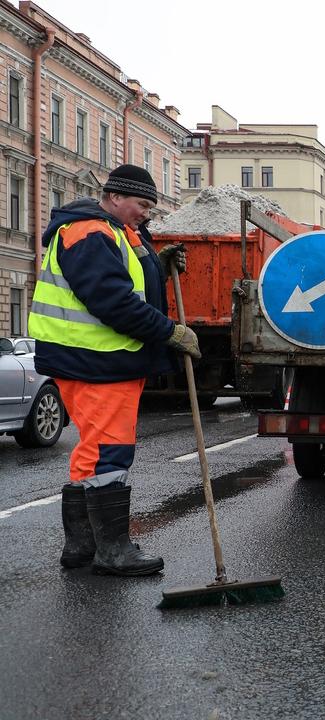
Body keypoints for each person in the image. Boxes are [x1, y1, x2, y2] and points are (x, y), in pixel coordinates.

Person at [28, 164, 202, 576]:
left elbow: (126, 279)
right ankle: (113, 551)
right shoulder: (90, 232)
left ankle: (82, 546)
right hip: (97, 361)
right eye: (141, 205)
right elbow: (113, 301)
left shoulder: (113, 232)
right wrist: (171, 333)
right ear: (116, 196)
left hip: (94, 358)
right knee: (110, 451)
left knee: (91, 452)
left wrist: (157, 262)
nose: (145, 214)